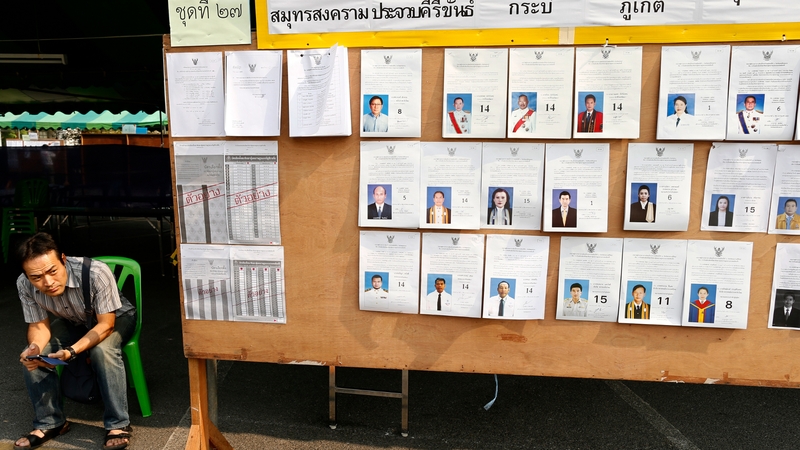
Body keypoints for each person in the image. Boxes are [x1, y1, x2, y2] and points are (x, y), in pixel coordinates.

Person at [14, 232, 135, 450]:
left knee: (103, 351)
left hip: (114, 317)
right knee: (32, 356)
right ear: (26, 275)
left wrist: (71, 351)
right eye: (36, 277)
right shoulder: (24, 284)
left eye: (52, 271)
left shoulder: (95, 272)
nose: (48, 282)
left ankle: (118, 424)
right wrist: (34, 348)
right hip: (73, 320)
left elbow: (106, 324)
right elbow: (39, 326)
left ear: (63, 259)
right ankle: (51, 422)